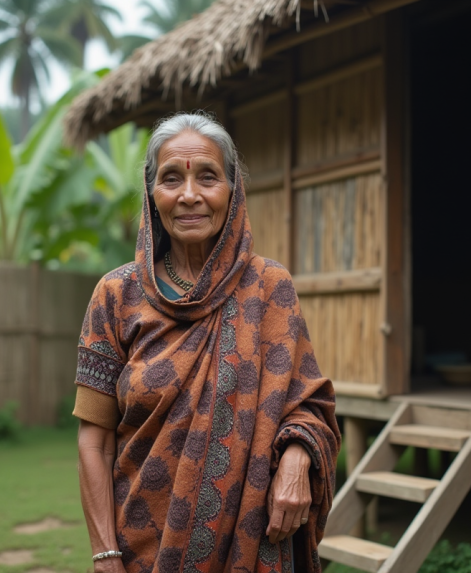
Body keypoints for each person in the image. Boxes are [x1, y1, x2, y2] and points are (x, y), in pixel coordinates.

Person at [73, 112, 341, 573]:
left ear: (232, 192)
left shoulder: (269, 287)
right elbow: (93, 443)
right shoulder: (116, 296)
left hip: (251, 544)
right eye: (171, 178)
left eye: (208, 177)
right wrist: (105, 553)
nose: (189, 195)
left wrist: (298, 458)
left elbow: (307, 404)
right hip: (142, 549)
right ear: (152, 194)